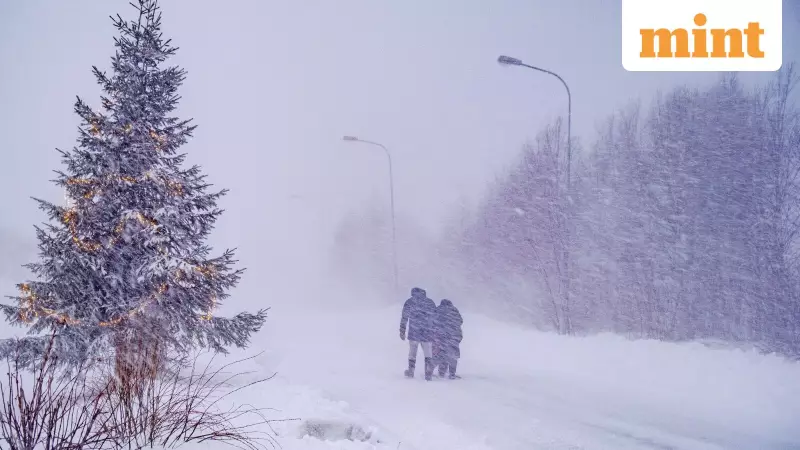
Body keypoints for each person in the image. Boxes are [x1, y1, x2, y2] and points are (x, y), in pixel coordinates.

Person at [399, 287, 437, 380]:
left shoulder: (410, 302)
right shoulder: (430, 302)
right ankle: (428, 372)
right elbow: (435, 317)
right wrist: (435, 330)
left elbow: (404, 317)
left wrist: (402, 330)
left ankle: (411, 371)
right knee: (428, 353)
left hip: (414, 332)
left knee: (412, 353)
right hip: (427, 332)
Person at [432, 299, 463, 379]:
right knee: (453, 355)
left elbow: (433, 322)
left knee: (441, 353)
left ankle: (441, 372)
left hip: (442, 336)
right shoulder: (454, 310)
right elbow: (460, 321)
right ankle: (452, 373)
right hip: (454, 336)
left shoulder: (438, 310)